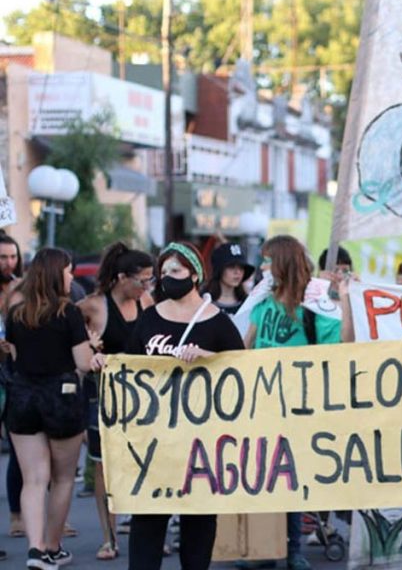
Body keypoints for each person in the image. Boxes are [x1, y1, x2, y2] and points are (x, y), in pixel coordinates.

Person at [90, 242, 244, 569]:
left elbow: (241, 373)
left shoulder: (217, 322)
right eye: (163, 273)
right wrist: (108, 363)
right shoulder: (150, 317)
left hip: (201, 444)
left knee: (198, 530)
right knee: (148, 525)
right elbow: (132, 364)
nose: (167, 278)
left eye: (175, 271)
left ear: (195, 273)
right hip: (154, 442)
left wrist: (209, 359)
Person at [241, 235, 353, 570]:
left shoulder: (315, 303)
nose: (261, 268)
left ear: (283, 262)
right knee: (262, 475)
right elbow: (246, 346)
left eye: (266, 261)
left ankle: (292, 549)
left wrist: (345, 301)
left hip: (300, 404)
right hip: (261, 401)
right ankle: (262, 548)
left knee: (289, 477)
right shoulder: (262, 300)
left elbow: (342, 346)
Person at [1, 248, 93, 569]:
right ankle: (53, 546)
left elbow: (14, 357)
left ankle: (34, 548)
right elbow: (83, 362)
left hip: (23, 397)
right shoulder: (68, 314)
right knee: (63, 478)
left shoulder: (16, 313)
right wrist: (93, 350)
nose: (71, 276)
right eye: (68, 271)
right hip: (61, 397)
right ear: (56, 274)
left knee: (33, 479)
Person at [77, 242, 155, 561]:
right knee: (104, 468)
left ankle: (147, 530)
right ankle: (109, 538)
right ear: (123, 277)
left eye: (151, 280)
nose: (147, 287)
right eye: (143, 280)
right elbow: (66, 323)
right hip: (103, 396)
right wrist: (86, 346)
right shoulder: (95, 305)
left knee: (144, 463)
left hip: (143, 397)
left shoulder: (146, 302)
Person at [1, 232, 24, 549]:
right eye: (2, 257)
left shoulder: (22, 288)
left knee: (22, 447)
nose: (8, 264)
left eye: (13, 257)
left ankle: (18, 514)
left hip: (18, 372)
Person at [202, 243, 254, 316]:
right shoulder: (203, 302)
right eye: (231, 266)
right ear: (219, 270)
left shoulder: (248, 304)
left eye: (241, 267)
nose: (237, 272)